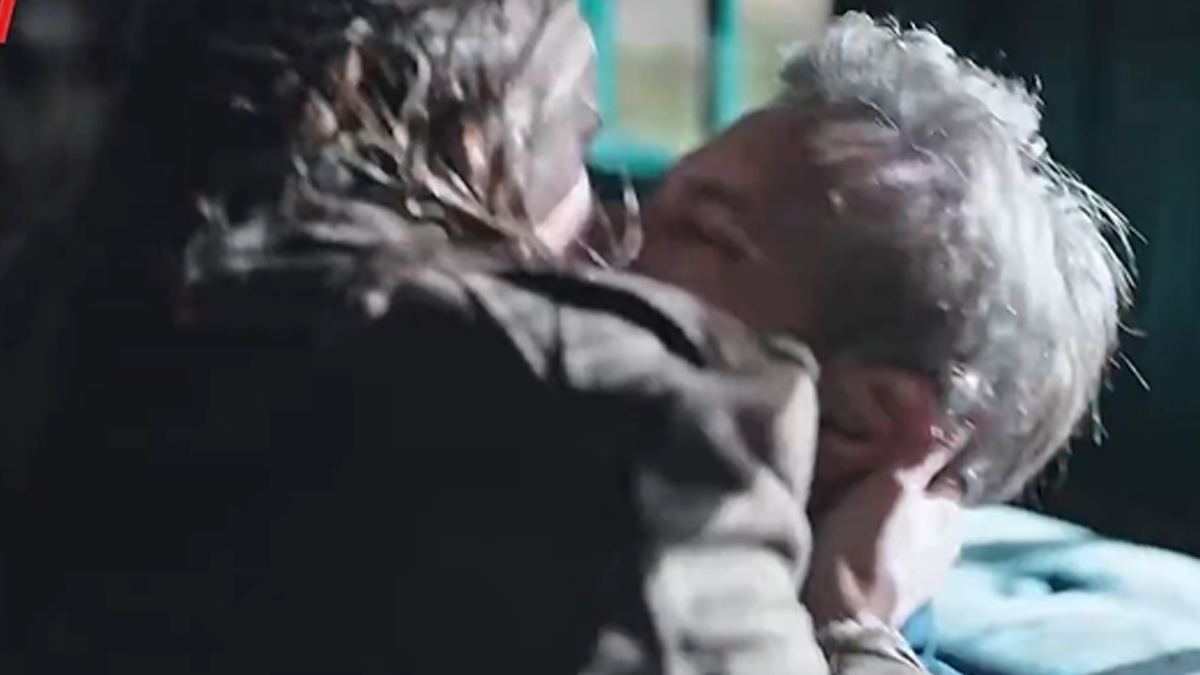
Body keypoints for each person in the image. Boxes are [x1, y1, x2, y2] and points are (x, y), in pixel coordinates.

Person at [10, 4, 1128, 675]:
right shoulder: (604, 439)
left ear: (872, 418)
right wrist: (857, 629)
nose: (603, 240)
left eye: (702, 230)